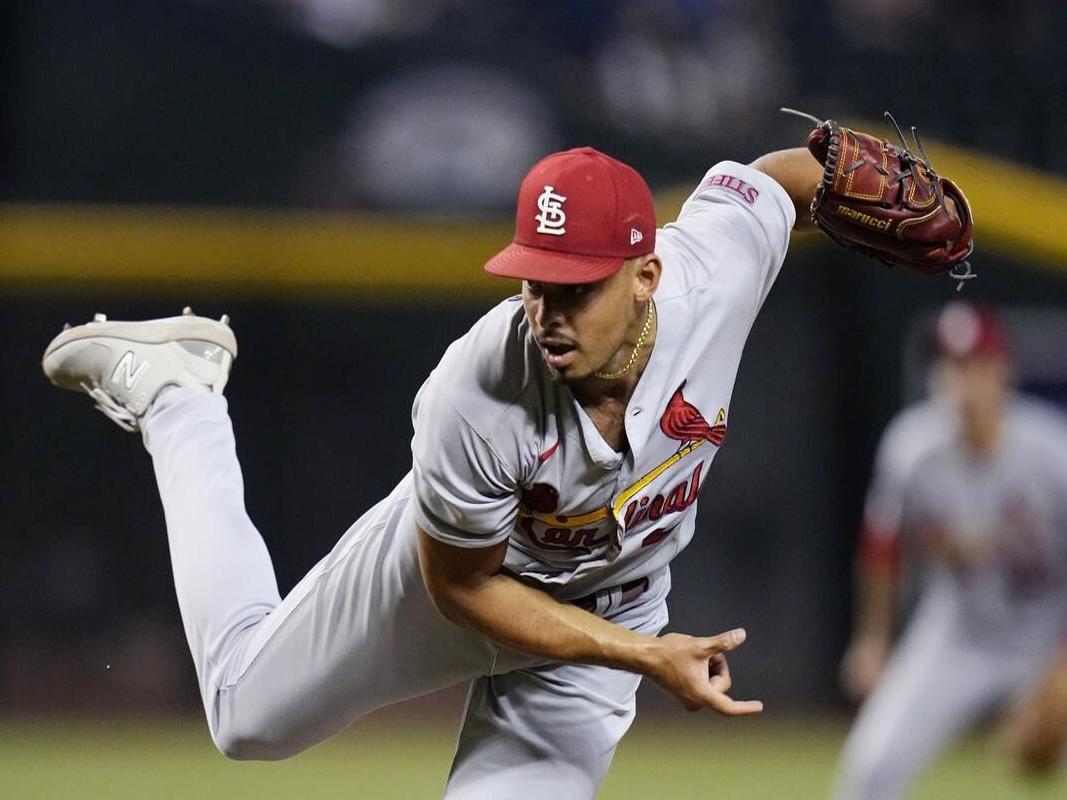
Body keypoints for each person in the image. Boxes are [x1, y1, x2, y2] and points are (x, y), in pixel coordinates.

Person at [42, 143, 921, 799]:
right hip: (459, 582)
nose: (547, 312)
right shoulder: (474, 391)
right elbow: (462, 589)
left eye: (577, 287)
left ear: (647, 273)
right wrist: (644, 656)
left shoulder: (712, 275)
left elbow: (778, 180)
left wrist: (858, 170)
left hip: (604, 606)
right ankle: (180, 398)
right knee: (243, 717)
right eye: (535, 283)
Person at [833, 302, 1067, 800]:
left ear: (1003, 372)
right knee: (870, 769)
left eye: (975, 366)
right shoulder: (912, 449)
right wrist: (872, 639)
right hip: (960, 630)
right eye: (949, 366)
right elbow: (882, 547)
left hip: (1050, 629)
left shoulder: (1052, 453)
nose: (961, 382)